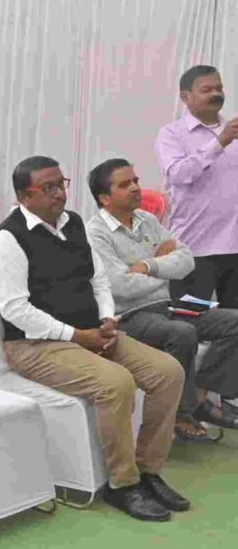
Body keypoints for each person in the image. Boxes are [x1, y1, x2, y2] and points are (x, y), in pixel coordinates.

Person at [0, 155, 186, 521]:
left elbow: (98, 280)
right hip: (35, 346)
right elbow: (16, 310)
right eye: (48, 188)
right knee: (116, 382)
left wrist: (108, 318)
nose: (59, 194)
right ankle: (122, 484)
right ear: (23, 195)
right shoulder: (6, 240)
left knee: (168, 372)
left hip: (94, 333)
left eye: (61, 184)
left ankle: (148, 471)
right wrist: (78, 335)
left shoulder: (74, 223)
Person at [86, 158, 238, 441]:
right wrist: (163, 267)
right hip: (129, 315)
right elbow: (120, 287)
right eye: (124, 185)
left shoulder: (147, 220)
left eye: (135, 181)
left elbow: (187, 261)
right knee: (181, 333)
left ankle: (198, 397)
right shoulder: (95, 233)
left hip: (167, 306)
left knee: (234, 322)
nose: (135, 188)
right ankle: (180, 413)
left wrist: (148, 266)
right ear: (104, 198)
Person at [154, 65, 238, 308]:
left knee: (233, 323)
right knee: (190, 319)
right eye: (206, 89)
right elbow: (179, 175)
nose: (216, 94)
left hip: (235, 247)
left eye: (219, 88)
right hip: (194, 247)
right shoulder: (171, 134)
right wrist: (220, 142)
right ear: (185, 96)